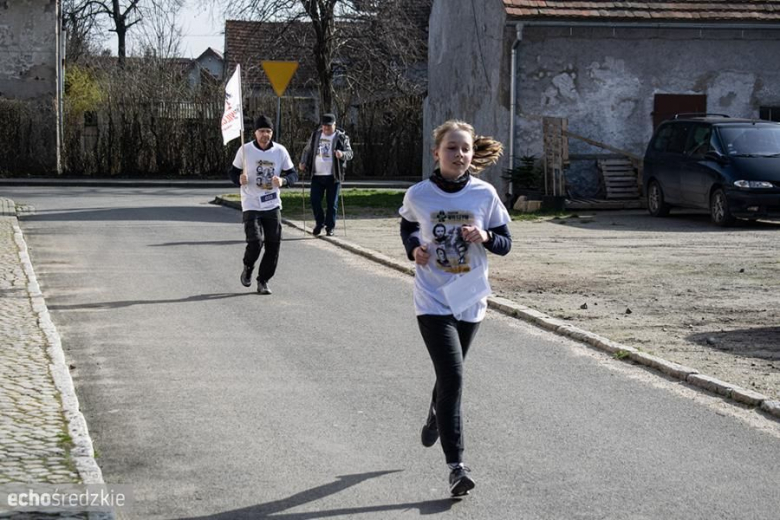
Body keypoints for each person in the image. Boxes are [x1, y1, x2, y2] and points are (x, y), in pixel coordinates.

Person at [398, 120, 512, 497]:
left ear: (472, 154)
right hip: (432, 299)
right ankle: (456, 467)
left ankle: (436, 412)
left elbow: (505, 243)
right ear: (437, 153)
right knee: (454, 378)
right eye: (451, 148)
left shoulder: (484, 194)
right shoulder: (419, 194)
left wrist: (486, 236)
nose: (459, 154)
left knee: (449, 377)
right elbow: (407, 225)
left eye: (465, 148)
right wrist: (414, 249)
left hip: (470, 298)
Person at [228, 115, 297, 295]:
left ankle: (263, 280)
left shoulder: (280, 151)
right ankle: (248, 266)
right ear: (255, 133)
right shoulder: (245, 150)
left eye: (268, 131)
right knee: (256, 241)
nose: (265, 135)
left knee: (273, 244)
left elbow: (293, 174)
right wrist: (239, 179)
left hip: (272, 203)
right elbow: (233, 172)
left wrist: (283, 180)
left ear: (272, 133)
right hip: (251, 203)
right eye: (261, 131)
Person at [298, 113, 354, 236]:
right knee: (314, 200)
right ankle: (319, 223)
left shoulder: (342, 137)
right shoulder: (316, 135)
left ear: (335, 125)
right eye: (324, 126)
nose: (326, 128)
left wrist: (342, 154)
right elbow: (307, 150)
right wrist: (303, 162)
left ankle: (330, 227)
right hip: (317, 174)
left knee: (332, 204)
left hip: (333, 175)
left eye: (329, 126)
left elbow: (350, 153)